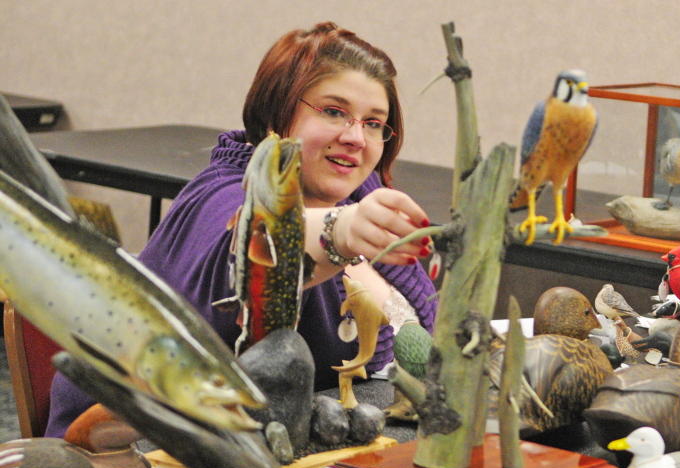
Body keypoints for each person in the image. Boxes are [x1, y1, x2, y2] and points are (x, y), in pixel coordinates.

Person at [45, 22, 437, 437]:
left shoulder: (358, 190)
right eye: (334, 111)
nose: (357, 137)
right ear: (276, 112)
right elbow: (253, 250)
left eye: (374, 122)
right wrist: (340, 233)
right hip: (133, 454)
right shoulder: (219, 197)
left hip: (310, 442)